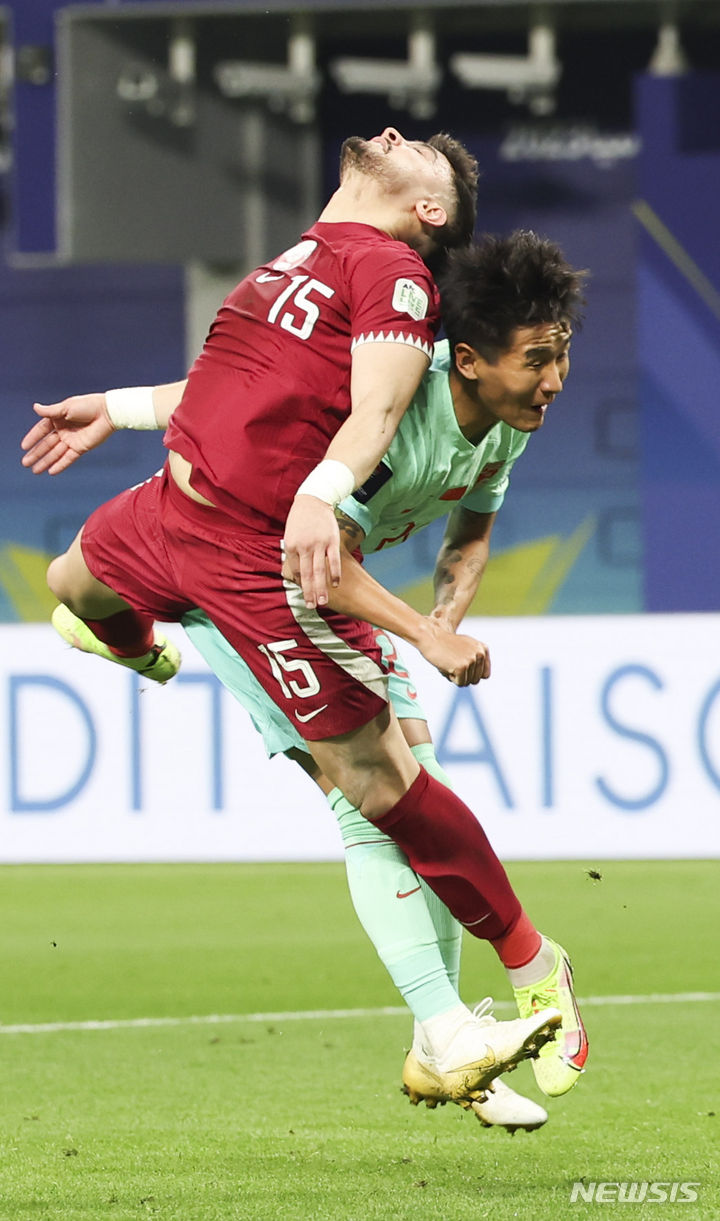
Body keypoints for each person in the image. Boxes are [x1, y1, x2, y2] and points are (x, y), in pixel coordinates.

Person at [21, 133, 568, 1104]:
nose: (392, 135)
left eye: (419, 149)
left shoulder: (395, 277)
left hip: (264, 561)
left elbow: (376, 413)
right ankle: (135, 642)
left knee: (384, 793)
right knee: (72, 583)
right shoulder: (309, 255)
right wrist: (117, 405)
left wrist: (323, 498)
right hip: (177, 511)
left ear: (429, 210)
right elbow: (233, 391)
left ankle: (469, 1016)